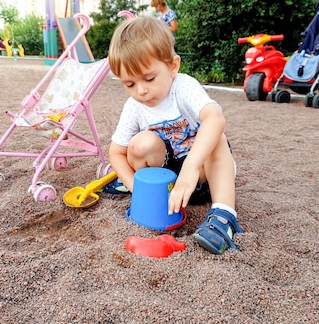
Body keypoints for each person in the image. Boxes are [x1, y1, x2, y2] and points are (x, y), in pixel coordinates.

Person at [104, 16, 244, 254]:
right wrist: (137, 189)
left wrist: (191, 168)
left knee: (215, 135)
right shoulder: (134, 105)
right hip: (169, 185)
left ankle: (223, 217)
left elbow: (215, 118)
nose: (141, 91)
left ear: (172, 66)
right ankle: (148, 189)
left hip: (202, 175)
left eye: (149, 78)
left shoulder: (183, 86)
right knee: (139, 144)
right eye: (129, 84)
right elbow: (116, 153)